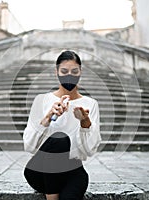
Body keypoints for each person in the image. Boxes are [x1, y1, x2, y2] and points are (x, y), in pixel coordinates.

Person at [23, 50, 101, 200]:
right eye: (64, 71)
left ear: (80, 72)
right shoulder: (41, 101)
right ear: (56, 72)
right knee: (59, 139)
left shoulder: (90, 104)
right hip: (41, 170)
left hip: (73, 170)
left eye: (74, 71)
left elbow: (90, 150)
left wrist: (85, 122)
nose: (69, 75)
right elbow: (29, 146)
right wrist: (47, 117)